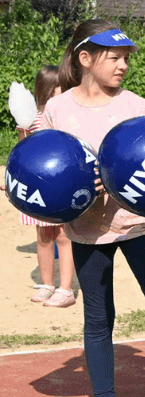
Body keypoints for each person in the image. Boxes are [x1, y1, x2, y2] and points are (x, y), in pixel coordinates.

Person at [38, 19, 145, 397]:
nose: (123, 66)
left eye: (126, 59)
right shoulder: (58, 109)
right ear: (86, 59)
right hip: (86, 232)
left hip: (137, 225)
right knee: (98, 322)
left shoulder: (137, 105)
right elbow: (47, 165)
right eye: (114, 58)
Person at [19, 65, 77, 307]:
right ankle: (46, 284)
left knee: (64, 237)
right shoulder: (31, 118)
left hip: (62, 185)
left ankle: (66, 288)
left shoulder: (67, 114)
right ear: (47, 89)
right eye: (60, 86)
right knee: (44, 237)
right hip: (37, 189)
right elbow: (23, 152)